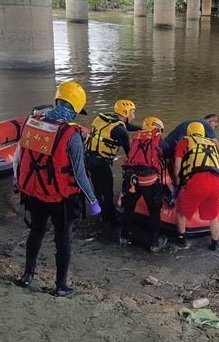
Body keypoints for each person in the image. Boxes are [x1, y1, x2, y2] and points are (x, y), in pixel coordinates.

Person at [14, 80, 99, 297]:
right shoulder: (72, 135)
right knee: (63, 241)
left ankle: (27, 276)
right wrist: (93, 200)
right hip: (61, 198)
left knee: (36, 232)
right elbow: (80, 175)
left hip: (34, 193)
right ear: (76, 108)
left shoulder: (32, 122)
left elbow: (19, 159)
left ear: (57, 99)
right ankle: (61, 286)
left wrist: (19, 182)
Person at [86, 99, 139, 226]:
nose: (133, 116)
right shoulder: (120, 131)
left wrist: (141, 129)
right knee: (108, 192)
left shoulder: (104, 119)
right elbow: (130, 154)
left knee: (98, 189)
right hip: (101, 163)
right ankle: (110, 221)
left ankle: (100, 213)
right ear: (125, 113)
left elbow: (125, 126)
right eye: (132, 113)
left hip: (89, 159)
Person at [120, 116, 169, 253]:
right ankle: (155, 242)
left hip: (132, 179)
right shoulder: (158, 140)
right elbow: (167, 154)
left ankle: (124, 237)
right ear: (158, 128)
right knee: (154, 211)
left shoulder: (136, 137)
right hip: (149, 180)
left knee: (129, 208)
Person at [173, 122, 219, 251]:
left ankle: (182, 239)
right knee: (213, 216)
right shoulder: (211, 144)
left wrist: (177, 182)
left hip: (196, 183)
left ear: (189, 133)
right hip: (215, 183)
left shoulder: (184, 142)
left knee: (181, 212)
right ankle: (215, 243)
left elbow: (177, 166)